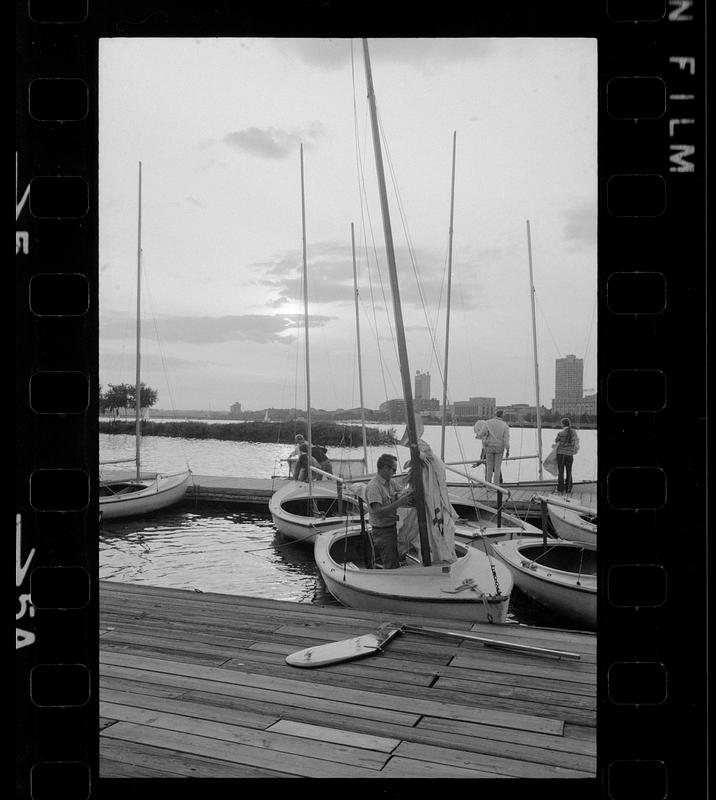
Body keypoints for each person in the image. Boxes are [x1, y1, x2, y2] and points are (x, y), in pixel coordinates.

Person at [365, 453, 414, 569]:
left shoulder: (390, 482)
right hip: (382, 532)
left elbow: (403, 492)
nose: (395, 473)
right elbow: (379, 512)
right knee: (391, 564)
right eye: (393, 470)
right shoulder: (374, 487)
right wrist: (400, 502)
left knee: (394, 559)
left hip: (391, 528)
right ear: (385, 468)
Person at [481, 410, 510, 485]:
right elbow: (506, 439)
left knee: (489, 467)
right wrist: (507, 449)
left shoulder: (488, 423)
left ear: (495, 414)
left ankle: (488, 486)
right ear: (502, 416)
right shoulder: (505, 425)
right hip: (499, 448)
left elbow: (482, 433)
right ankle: (496, 486)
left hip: (489, 447)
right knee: (497, 468)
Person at [554, 417, 579, 494]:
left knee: (560, 472)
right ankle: (568, 488)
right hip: (569, 455)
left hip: (561, 454)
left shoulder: (560, 433)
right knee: (569, 471)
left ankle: (560, 489)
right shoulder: (574, 432)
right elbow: (576, 441)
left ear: (563, 424)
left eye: (561, 423)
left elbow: (556, 441)